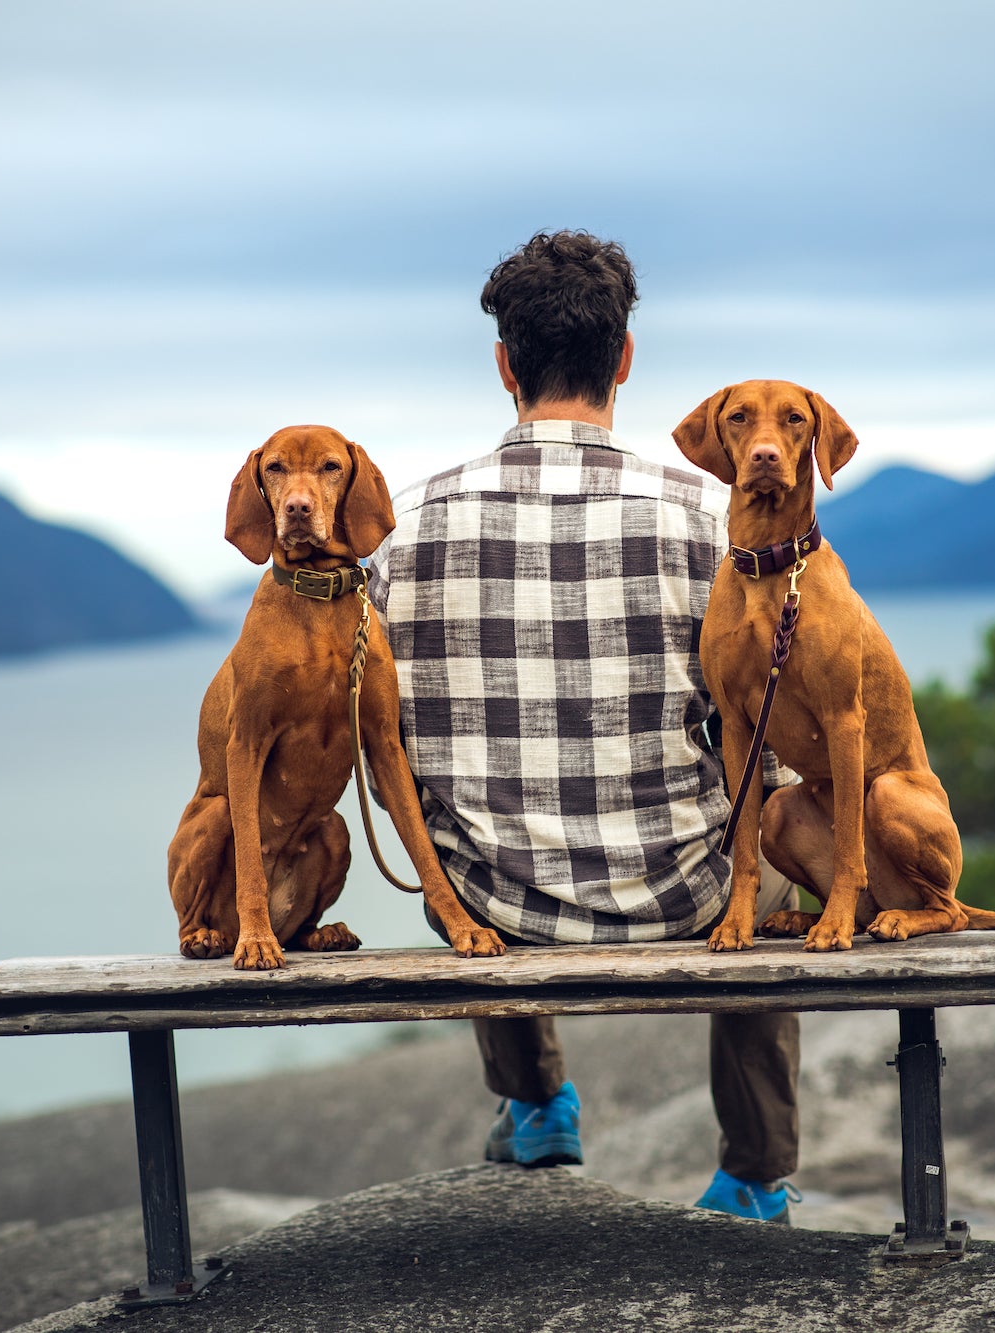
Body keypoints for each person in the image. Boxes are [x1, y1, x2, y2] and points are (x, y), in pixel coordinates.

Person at [365, 229, 802, 1223]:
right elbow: (778, 717)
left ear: (503, 365)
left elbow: (374, 732)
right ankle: (753, 1173)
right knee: (763, 833)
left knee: (456, 823)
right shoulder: (711, 516)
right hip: (688, 893)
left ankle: (535, 1104)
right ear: (625, 360)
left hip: (496, 907)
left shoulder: (404, 523)